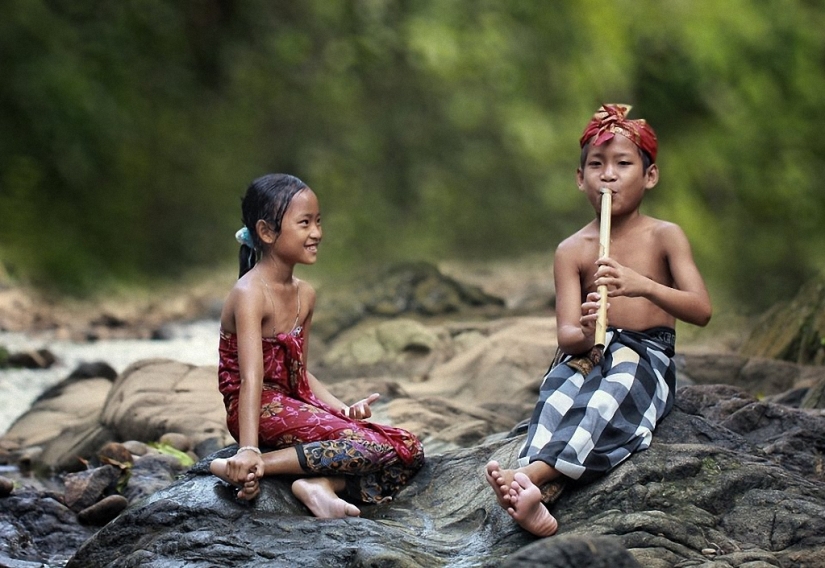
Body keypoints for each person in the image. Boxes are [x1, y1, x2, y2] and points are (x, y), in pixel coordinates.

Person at [485, 104, 712, 537]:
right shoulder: (572, 249)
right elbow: (567, 335)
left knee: (612, 398)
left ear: (650, 176)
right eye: (597, 165)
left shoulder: (665, 236)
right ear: (579, 177)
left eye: (623, 164)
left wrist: (642, 285)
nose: (608, 175)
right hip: (588, 354)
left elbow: (700, 309)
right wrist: (588, 332)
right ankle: (536, 496)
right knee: (555, 396)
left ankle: (528, 479)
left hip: (646, 352)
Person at [210, 173, 424, 519]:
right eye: (305, 223)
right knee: (367, 447)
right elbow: (252, 379)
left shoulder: (305, 294)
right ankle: (254, 463)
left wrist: (342, 410)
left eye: (318, 222)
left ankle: (319, 485)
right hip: (256, 409)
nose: (317, 233)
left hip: (296, 404)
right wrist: (248, 446)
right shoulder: (249, 295)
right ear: (267, 232)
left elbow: (300, 373)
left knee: (409, 448)